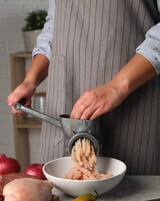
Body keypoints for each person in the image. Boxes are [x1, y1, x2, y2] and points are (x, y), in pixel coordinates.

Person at [8, 0, 160, 174]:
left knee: (135, 193)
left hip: (135, 97)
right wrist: (30, 80)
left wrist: (118, 86)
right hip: (66, 92)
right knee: (60, 194)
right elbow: (55, 24)